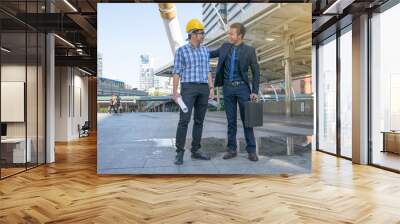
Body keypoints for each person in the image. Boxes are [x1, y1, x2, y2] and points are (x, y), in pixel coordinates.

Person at [209, 23, 260, 162]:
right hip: (228, 89)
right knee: (230, 121)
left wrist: (254, 91)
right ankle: (232, 149)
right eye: (229, 33)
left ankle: (252, 150)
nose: (229, 35)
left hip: (243, 89)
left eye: (231, 34)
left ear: (240, 36)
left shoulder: (249, 51)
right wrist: (195, 49)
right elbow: (210, 54)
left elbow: (256, 72)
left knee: (247, 121)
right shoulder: (225, 47)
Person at [172, 18, 214, 165]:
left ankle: (196, 150)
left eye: (203, 33)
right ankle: (179, 152)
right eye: (201, 33)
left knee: (199, 121)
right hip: (188, 88)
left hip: (203, 88)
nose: (203, 35)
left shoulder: (205, 50)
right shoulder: (181, 51)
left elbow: (208, 70)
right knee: (184, 121)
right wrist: (175, 92)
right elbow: (176, 72)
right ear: (192, 34)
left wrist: (211, 87)